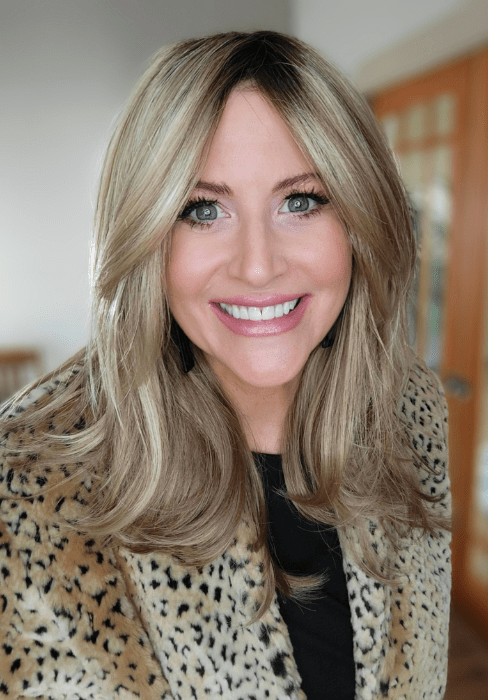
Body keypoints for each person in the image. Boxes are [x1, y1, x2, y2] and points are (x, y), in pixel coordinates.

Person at [0, 30, 451, 700]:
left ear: (359, 219)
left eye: (301, 201)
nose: (258, 265)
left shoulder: (413, 409)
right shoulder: (27, 488)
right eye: (202, 209)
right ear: (146, 230)